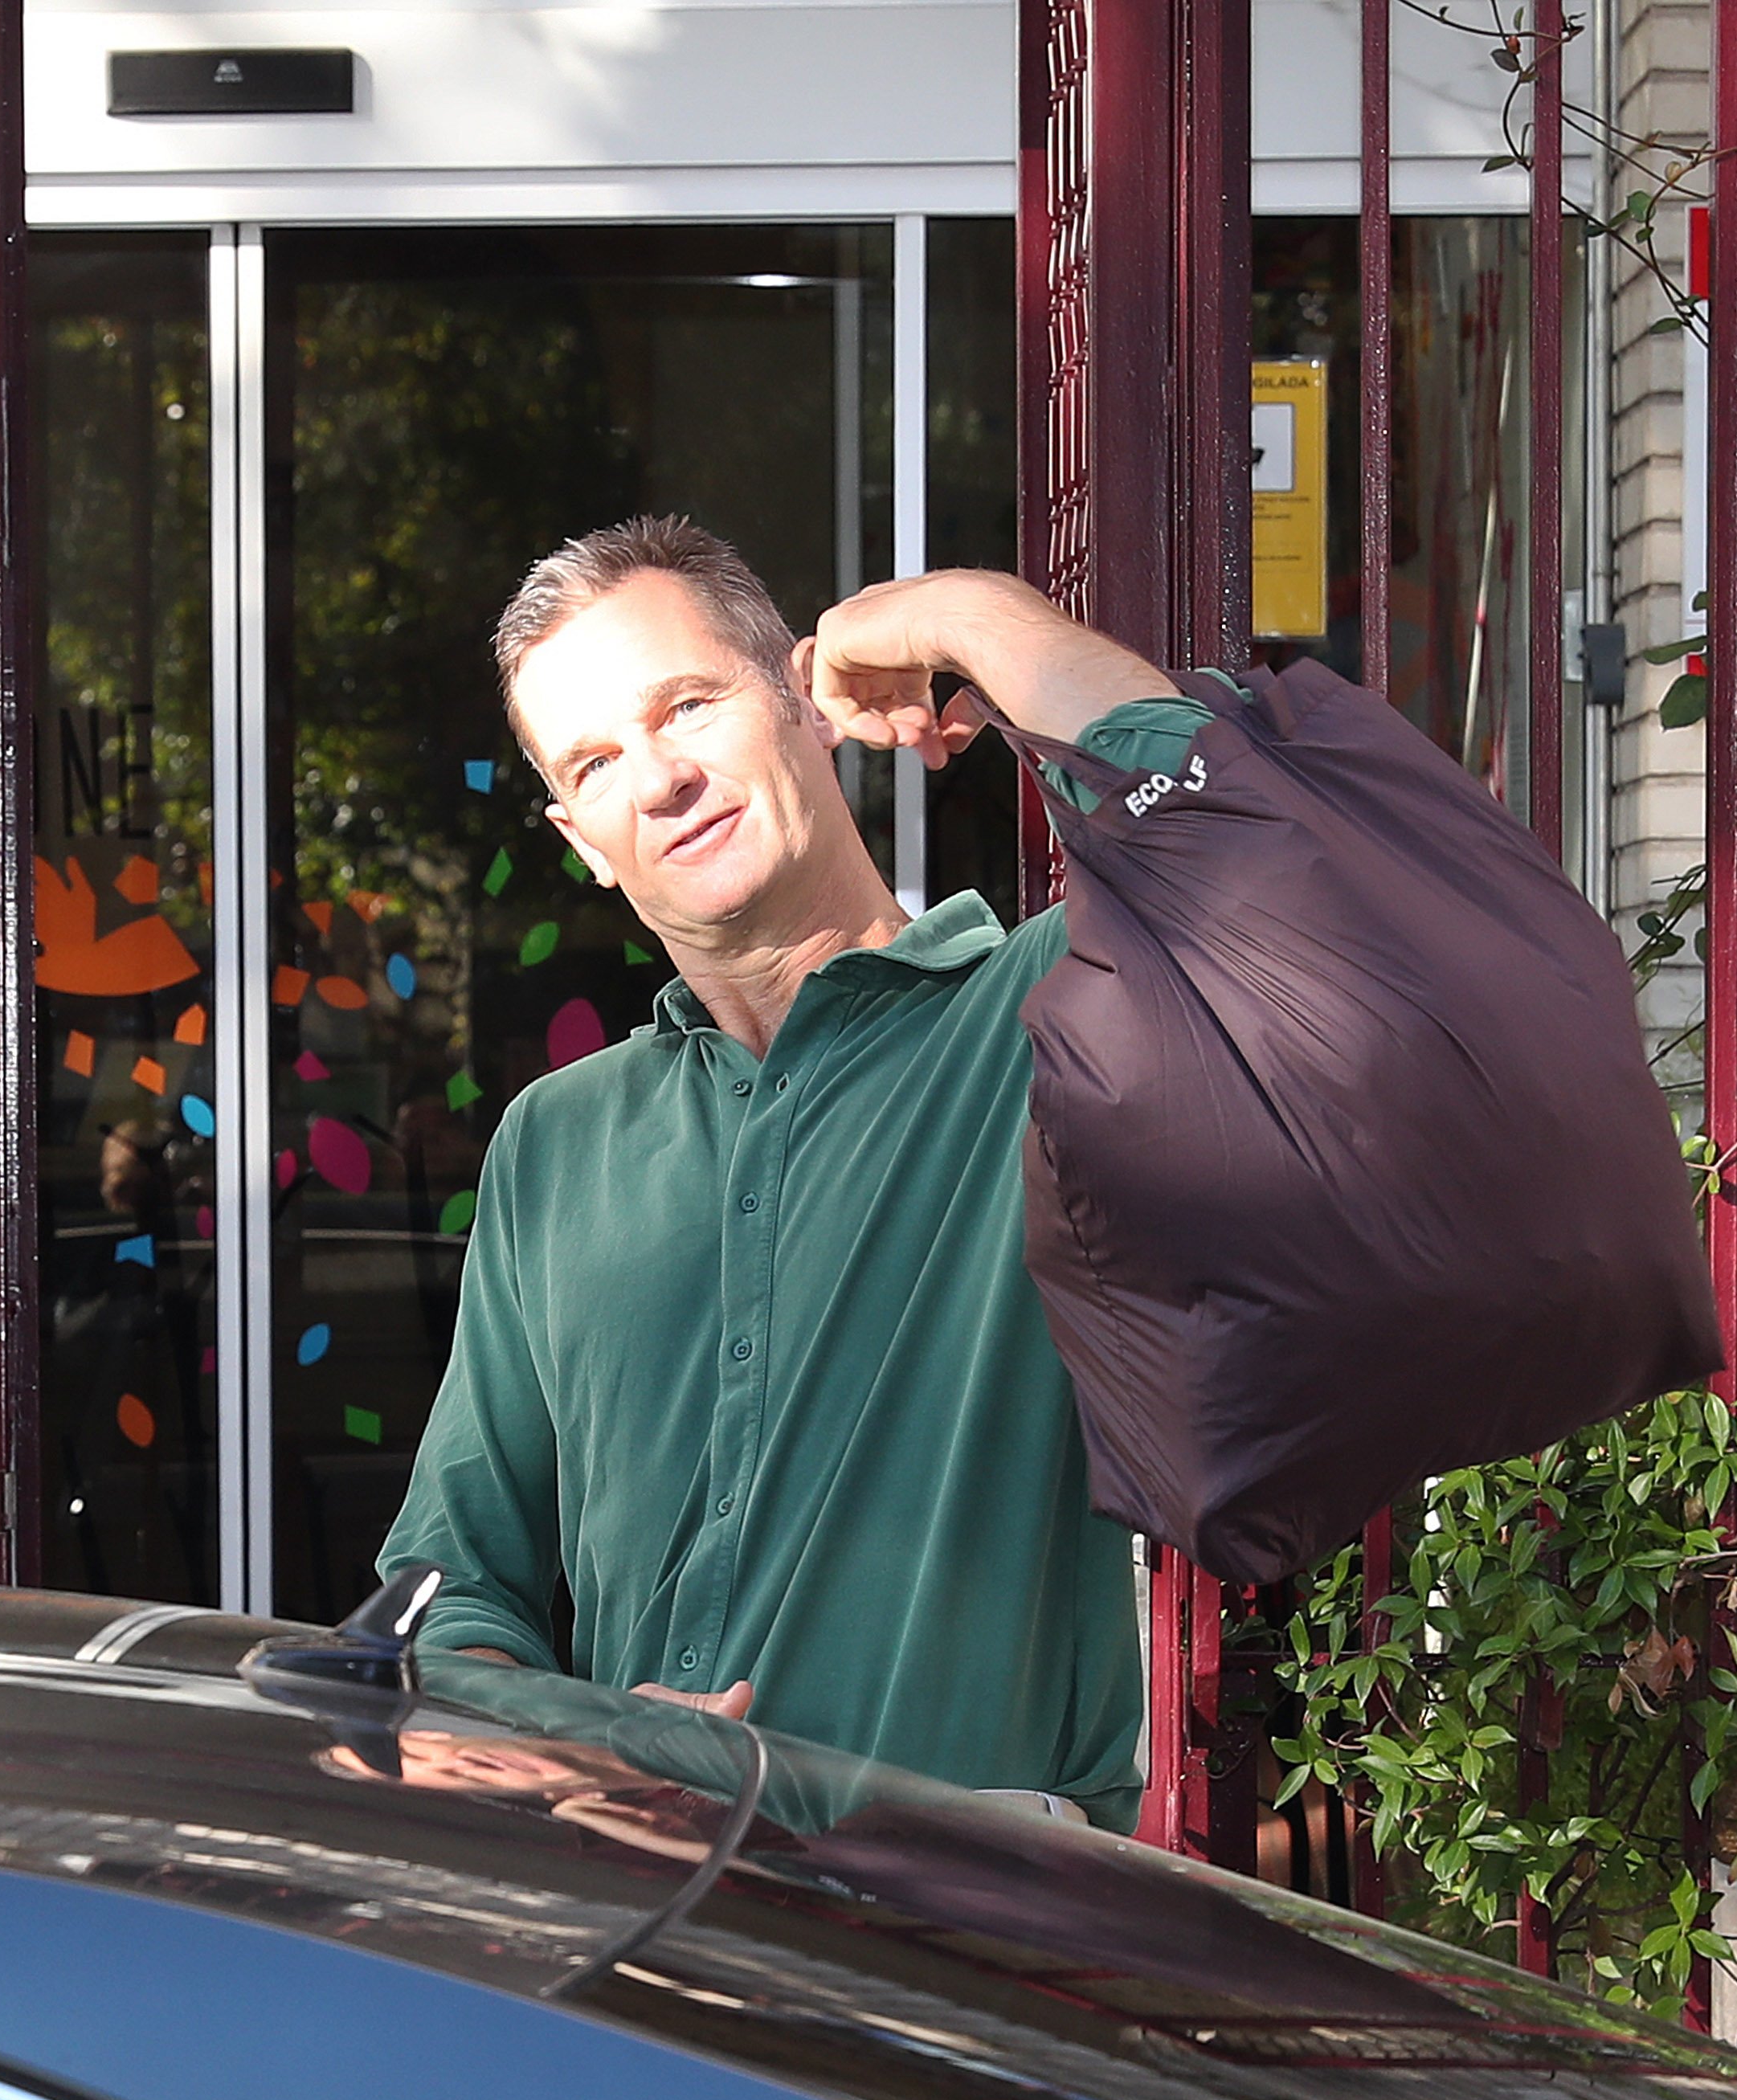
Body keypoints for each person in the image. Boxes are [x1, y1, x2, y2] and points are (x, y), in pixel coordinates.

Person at [375, 515, 1216, 1833]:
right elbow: (452, 1584)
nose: (657, 780)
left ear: (804, 703)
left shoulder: (1058, 1014)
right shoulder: (555, 1142)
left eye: (690, 706)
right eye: (597, 762)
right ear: (581, 839)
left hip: (976, 1937)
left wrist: (965, 621)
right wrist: (559, 1743)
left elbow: (1228, 824)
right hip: (640, 1929)